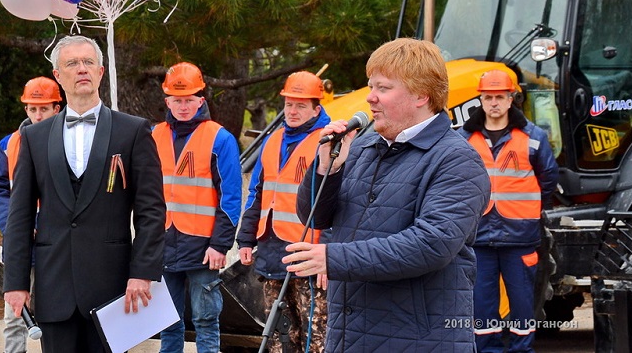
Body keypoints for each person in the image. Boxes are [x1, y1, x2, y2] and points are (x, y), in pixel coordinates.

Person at [283, 38, 491, 351]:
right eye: (370, 86)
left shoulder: (456, 159)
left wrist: (333, 257)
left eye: (383, 88)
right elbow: (315, 216)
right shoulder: (363, 147)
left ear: (421, 94)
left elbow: (431, 245)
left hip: (419, 341)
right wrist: (327, 169)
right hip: (350, 336)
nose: (370, 98)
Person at [3, 35, 166, 353]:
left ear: (101, 72)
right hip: (54, 287)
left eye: (88, 62)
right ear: (58, 75)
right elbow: (20, 215)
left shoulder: (132, 131)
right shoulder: (34, 138)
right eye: (72, 63)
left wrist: (143, 273)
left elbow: (151, 211)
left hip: (112, 286)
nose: (81, 69)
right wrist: (16, 282)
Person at [459, 69, 559, 353]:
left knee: (523, 303)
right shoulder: (465, 138)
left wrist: (530, 208)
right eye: (488, 97)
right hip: (479, 236)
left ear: (511, 99)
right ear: (480, 99)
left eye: (499, 97)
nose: (493, 103)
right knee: (482, 304)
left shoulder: (533, 137)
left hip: (520, 235)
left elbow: (548, 177)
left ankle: (521, 350)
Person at [237, 71, 331, 353]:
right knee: (278, 333)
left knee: (315, 336)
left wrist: (330, 251)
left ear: (317, 108)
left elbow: (338, 203)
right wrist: (245, 239)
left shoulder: (327, 142)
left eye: (301, 105)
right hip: (271, 250)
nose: (292, 111)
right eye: (289, 104)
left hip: (308, 254)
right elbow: (258, 194)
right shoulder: (273, 139)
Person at [152, 62, 242, 353]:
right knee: (167, 321)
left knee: (206, 321)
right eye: (177, 100)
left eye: (189, 100)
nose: (183, 106)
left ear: (201, 100)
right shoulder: (154, 135)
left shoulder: (220, 139)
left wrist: (220, 245)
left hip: (205, 249)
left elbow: (231, 197)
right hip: (164, 242)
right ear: (167, 101)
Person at [0, 76, 61, 353]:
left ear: (57, 108)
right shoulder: (9, 144)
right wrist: (15, 226)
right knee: (14, 314)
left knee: (56, 314)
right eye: (32, 109)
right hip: (21, 244)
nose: (38, 115)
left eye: (44, 108)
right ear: (25, 109)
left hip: (58, 243)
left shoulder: (71, 141)